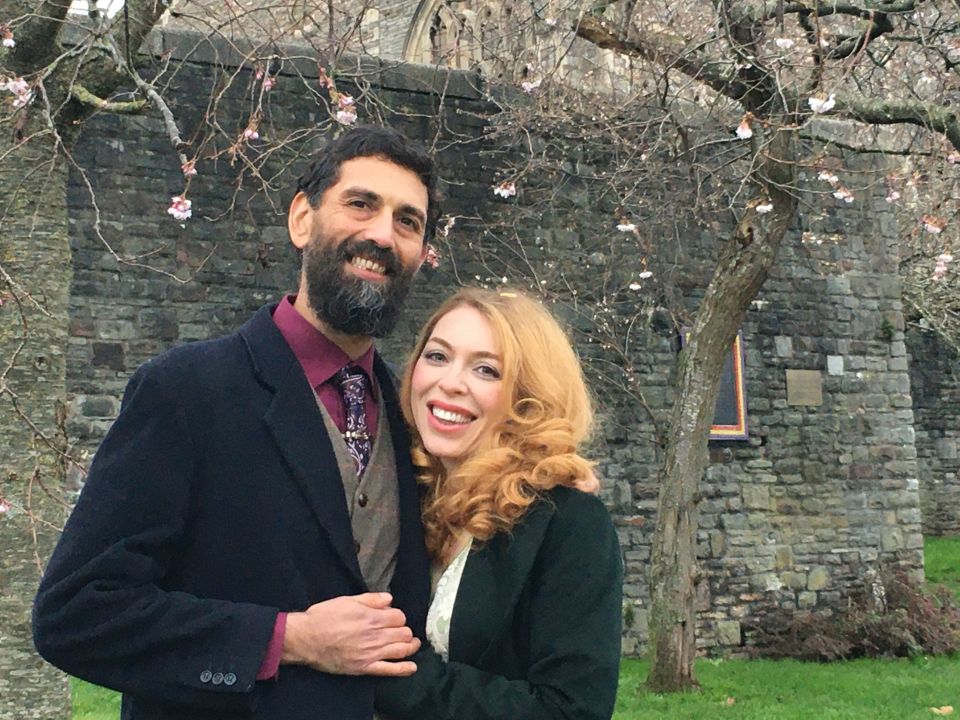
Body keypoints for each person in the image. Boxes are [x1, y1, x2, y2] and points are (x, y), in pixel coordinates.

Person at [32, 126, 441, 720]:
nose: (383, 234)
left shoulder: (415, 418)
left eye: (409, 222)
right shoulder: (185, 391)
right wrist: (288, 639)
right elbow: (77, 613)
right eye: (361, 204)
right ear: (302, 218)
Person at [375, 288, 623, 720]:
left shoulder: (567, 524)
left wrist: (396, 680)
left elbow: (571, 710)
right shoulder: (400, 492)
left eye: (486, 370)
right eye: (436, 356)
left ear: (528, 397)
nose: (450, 382)